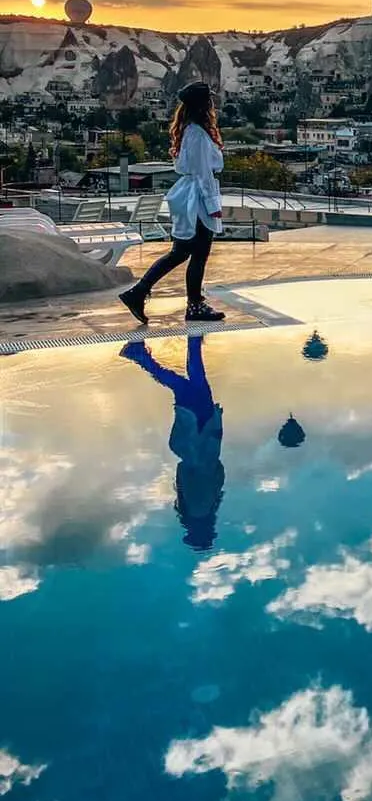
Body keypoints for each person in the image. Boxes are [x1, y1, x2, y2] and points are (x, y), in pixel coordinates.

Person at [119, 81, 226, 324]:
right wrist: (213, 205)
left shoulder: (190, 130)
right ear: (204, 105)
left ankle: (140, 293)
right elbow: (202, 173)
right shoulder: (197, 134)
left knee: (182, 252)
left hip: (191, 195)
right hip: (197, 199)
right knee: (196, 253)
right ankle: (192, 305)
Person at [121, 335, 225, 551]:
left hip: (202, 437)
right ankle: (150, 353)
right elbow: (183, 473)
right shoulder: (189, 510)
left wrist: (206, 451)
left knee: (191, 383)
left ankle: (143, 355)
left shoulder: (206, 506)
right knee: (188, 384)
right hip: (194, 440)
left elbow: (215, 473)